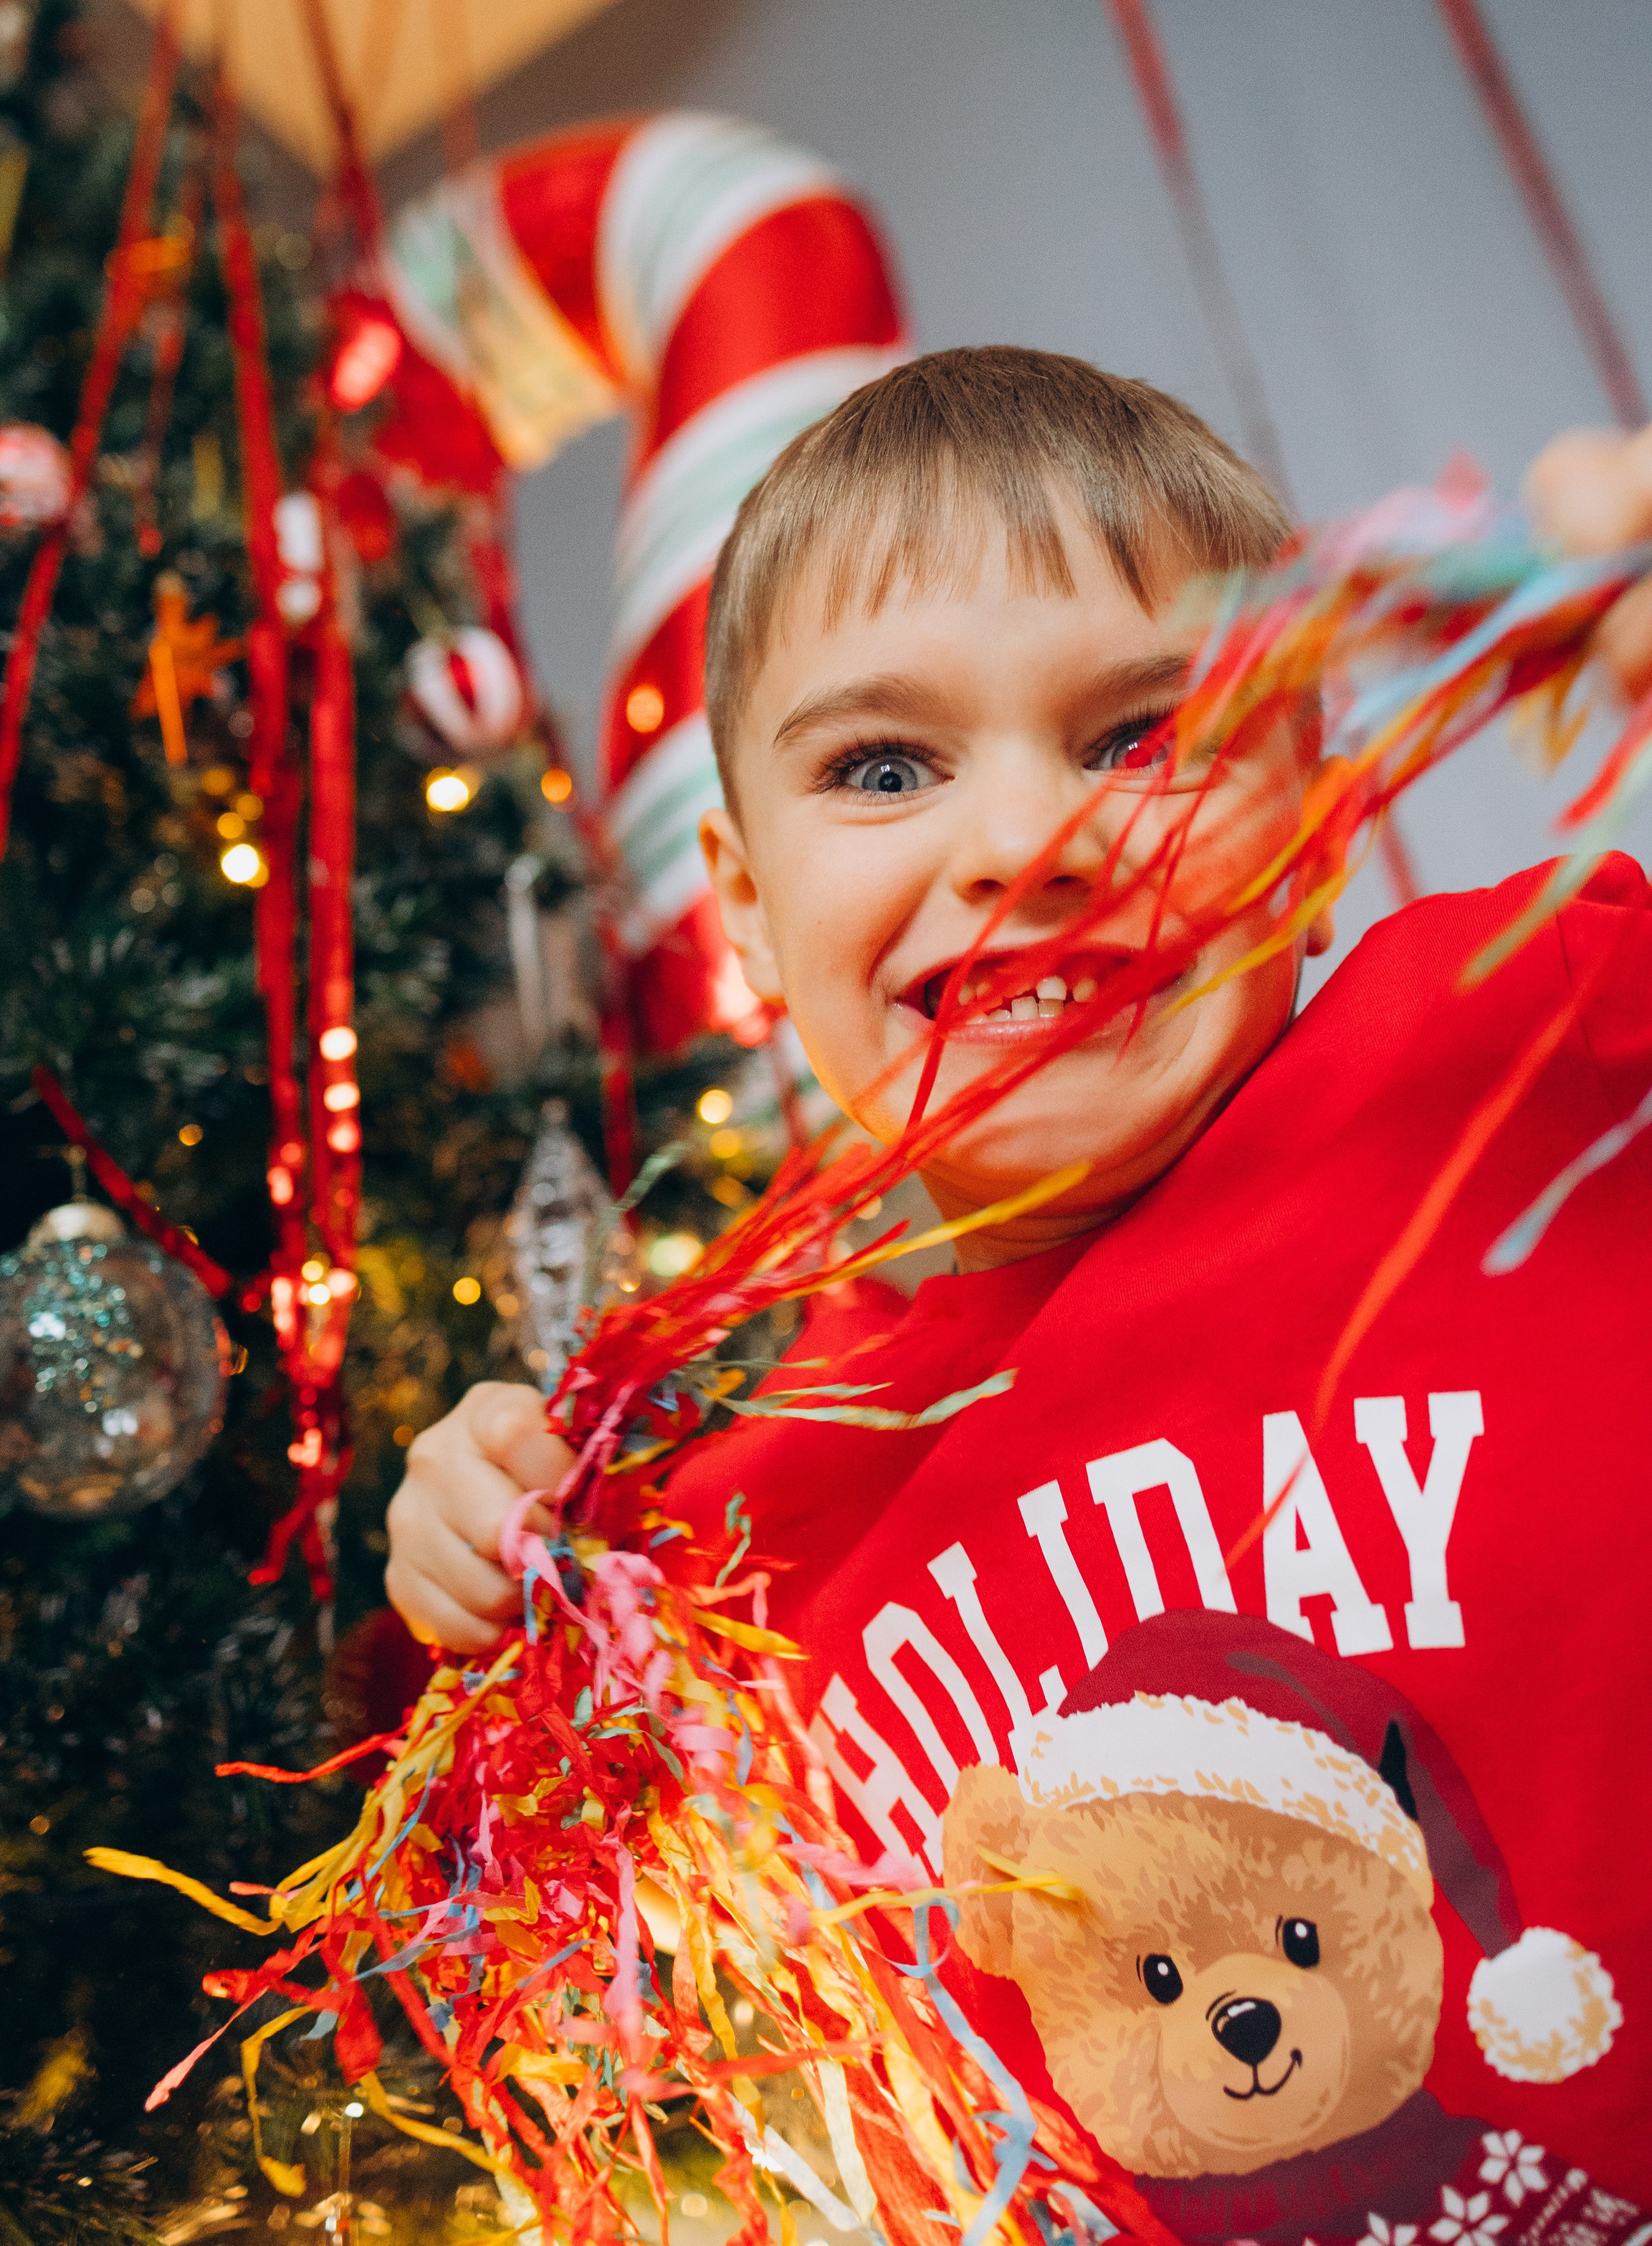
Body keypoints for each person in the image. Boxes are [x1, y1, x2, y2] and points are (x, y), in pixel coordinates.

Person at [384, 349, 1652, 2240]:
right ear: (741, 899)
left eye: (1139, 739)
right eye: (882, 769)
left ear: (1306, 798)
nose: (1020, 847)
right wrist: (470, 1568)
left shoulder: (1530, 1041)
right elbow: (515, 1938)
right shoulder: (730, 1539)